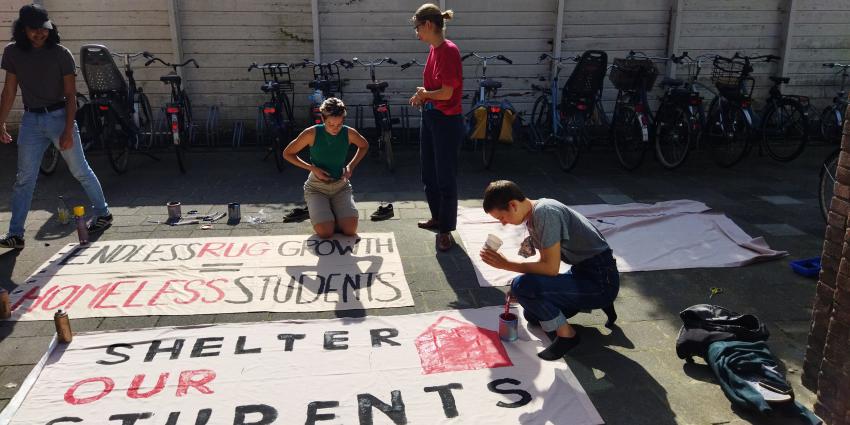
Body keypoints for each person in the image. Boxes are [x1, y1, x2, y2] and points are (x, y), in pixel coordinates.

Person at [0, 4, 112, 250]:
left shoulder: (61, 53)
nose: (40, 34)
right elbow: (9, 90)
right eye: (34, 30)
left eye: (45, 29)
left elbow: (71, 95)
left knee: (79, 170)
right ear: (22, 30)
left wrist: (68, 130)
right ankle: (15, 234)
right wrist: (1, 122)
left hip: (60, 116)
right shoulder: (12, 53)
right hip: (31, 120)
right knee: (24, 179)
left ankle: (103, 213)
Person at [479, 180, 619, 361]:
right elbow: (545, 263)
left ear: (513, 205)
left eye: (501, 218)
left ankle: (568, 336)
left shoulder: (545, 213)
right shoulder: (534, 215)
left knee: (522, 286)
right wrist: (525, 288)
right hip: (584, 273)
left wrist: (507, 266)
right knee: (533, 315)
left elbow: (551, 269)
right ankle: (597, 302)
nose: (504, 223)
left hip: (600, 280)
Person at [409, 3, 463, 252]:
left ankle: (446, 230)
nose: (416, 33)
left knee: (445, 177)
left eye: (417, 27)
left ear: (429, 25)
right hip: (431, 118)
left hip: (446, 122)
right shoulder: (434, 49)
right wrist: (423, 95)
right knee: (428, 174)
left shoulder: (448, 51)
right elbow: (435, 90)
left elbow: (447, 93)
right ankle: (438, 218)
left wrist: (426, 95)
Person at [283, 97, 368, 239]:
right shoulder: (311, 133)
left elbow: (364, 145)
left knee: (350, 231)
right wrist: (312, 168)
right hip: (316, 188)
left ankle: (330, 212)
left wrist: (350, 166)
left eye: (339, 124)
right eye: (331, 124)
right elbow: (287, 153)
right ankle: (322, 211)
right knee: (326, 232)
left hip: (341, 186)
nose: (335, 129)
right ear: (323, 119)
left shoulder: (348, 132)